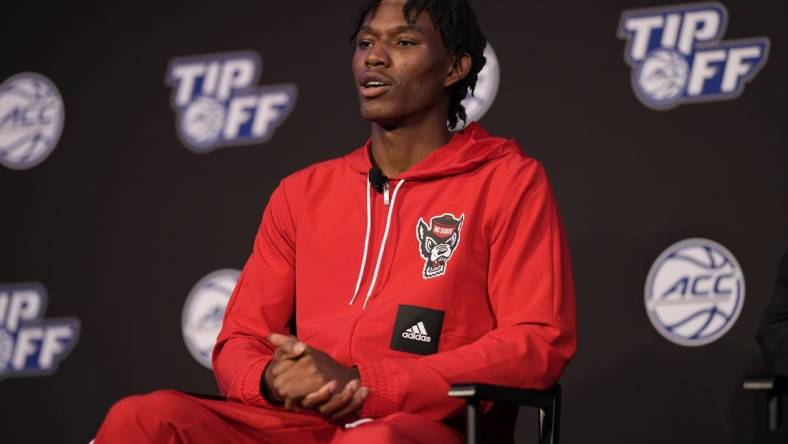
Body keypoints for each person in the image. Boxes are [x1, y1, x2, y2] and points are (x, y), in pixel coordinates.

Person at [95, 0, 577, 442]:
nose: (374, 57)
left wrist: (370, 385)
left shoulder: (508, 180)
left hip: (428, 427)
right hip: (303, 425)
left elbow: (537, 339)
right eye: (367, 43)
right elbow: (241, 338)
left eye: (403, 42)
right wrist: (269, 377)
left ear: (455, 66)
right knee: (144, 420)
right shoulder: (302, 193)